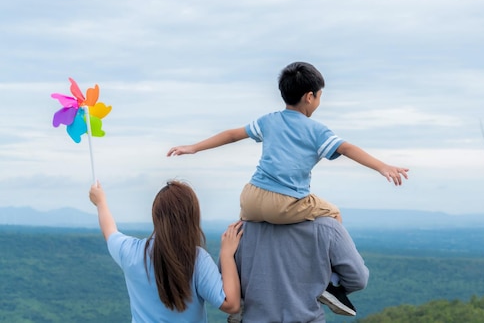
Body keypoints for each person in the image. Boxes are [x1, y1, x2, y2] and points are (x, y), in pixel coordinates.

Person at [167, 61, 408, 315]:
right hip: (284, 202)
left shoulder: (269, 120)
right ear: (309, 97)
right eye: (320, 96)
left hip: (250, 199)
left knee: (248, 238)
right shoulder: (316, 130)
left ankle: (242, 307)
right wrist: (382, 166)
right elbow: (346, 148)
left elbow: (232, 134)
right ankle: (332, 284)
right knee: (333, 214)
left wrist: (193, 147)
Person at [89, 180, 243, 322]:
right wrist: (227, 254)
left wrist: (100, 202)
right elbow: (231, 305)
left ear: (155, 216)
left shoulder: (131, 253)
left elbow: (109, 231)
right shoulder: (197, 260)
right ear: (192, 217)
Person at [230, 217, 369, 323]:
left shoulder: (240, 229)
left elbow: (226, 288)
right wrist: (323, 285)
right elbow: (358, 279)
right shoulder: (328, 226)